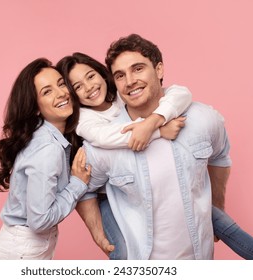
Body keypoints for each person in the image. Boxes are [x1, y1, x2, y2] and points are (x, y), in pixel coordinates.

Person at [73, 34, 253, 259]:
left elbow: (219, 156)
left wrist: (216, 208)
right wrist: (99, 234)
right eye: (120, 75)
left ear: (159, 70)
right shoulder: (102, 142)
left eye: (138, 68)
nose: (130, 81)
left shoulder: (202, 118)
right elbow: (85, 190)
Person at [57, 52, 191, 260]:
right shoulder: (83, 118)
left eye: (90, 76)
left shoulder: (123, 96)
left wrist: (155, 119)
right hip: (106, 194)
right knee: (124, 252)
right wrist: (158, 131)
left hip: (137, 181)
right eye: (78, 87)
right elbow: (106, 137)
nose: (89, 87)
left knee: (207, 214)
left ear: (103, 74)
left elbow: (180, 93)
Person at [0, 58, 91, 260]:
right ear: (35, 107)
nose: (61, 93)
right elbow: (40, 221)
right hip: (22, 251)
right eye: (47, 91)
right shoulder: (48, 149)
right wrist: (77, 185)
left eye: (61, 84)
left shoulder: (44, 136)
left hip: (21, 246)